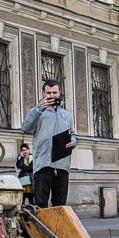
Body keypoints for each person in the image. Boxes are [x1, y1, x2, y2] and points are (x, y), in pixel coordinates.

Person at [21, 79, 77, 208]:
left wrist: (74, 141)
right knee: (40, 205)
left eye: (55, 92)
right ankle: (40, 228)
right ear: (43, 93)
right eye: (49, 93)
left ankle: (57, 229)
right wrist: (40, 108)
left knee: (60, 205)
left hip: (62, 164)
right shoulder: (37, 112)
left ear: (60, 93)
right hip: (43, 165)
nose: (52, 95)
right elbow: (25, 128)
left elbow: (73, 134)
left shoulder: (67, 115)